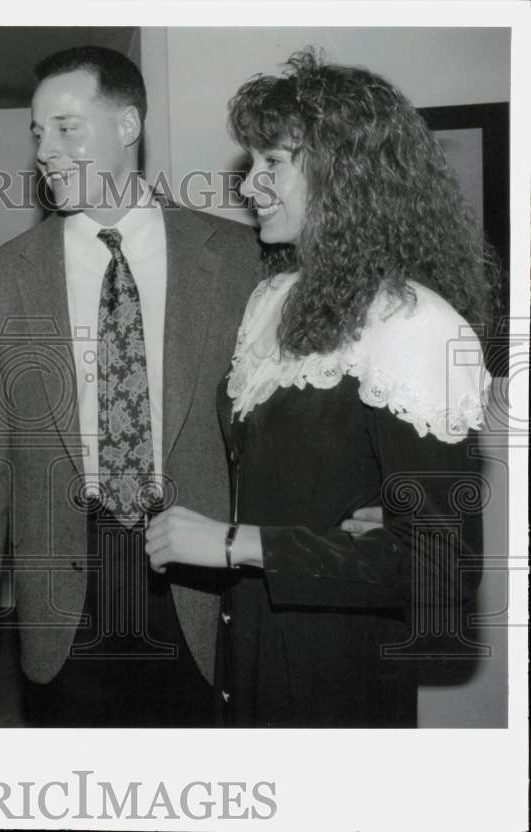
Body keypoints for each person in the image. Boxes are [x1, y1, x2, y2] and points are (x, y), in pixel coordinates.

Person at [146, 49, 493, 727]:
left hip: (337, 674)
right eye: (252, 165)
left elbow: (444, 574)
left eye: (272, 163)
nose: (249, 187)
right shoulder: (273, 298)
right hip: (245, 650)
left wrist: (233, 544)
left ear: (347, 177)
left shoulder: (415, 325)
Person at [0, 46, 263, 726]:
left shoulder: (238, 260)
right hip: (65, 578)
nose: (46, 151)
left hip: (198, 574)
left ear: (127, 127)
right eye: (38, 133)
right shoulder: (3, 277)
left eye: (67, 128)